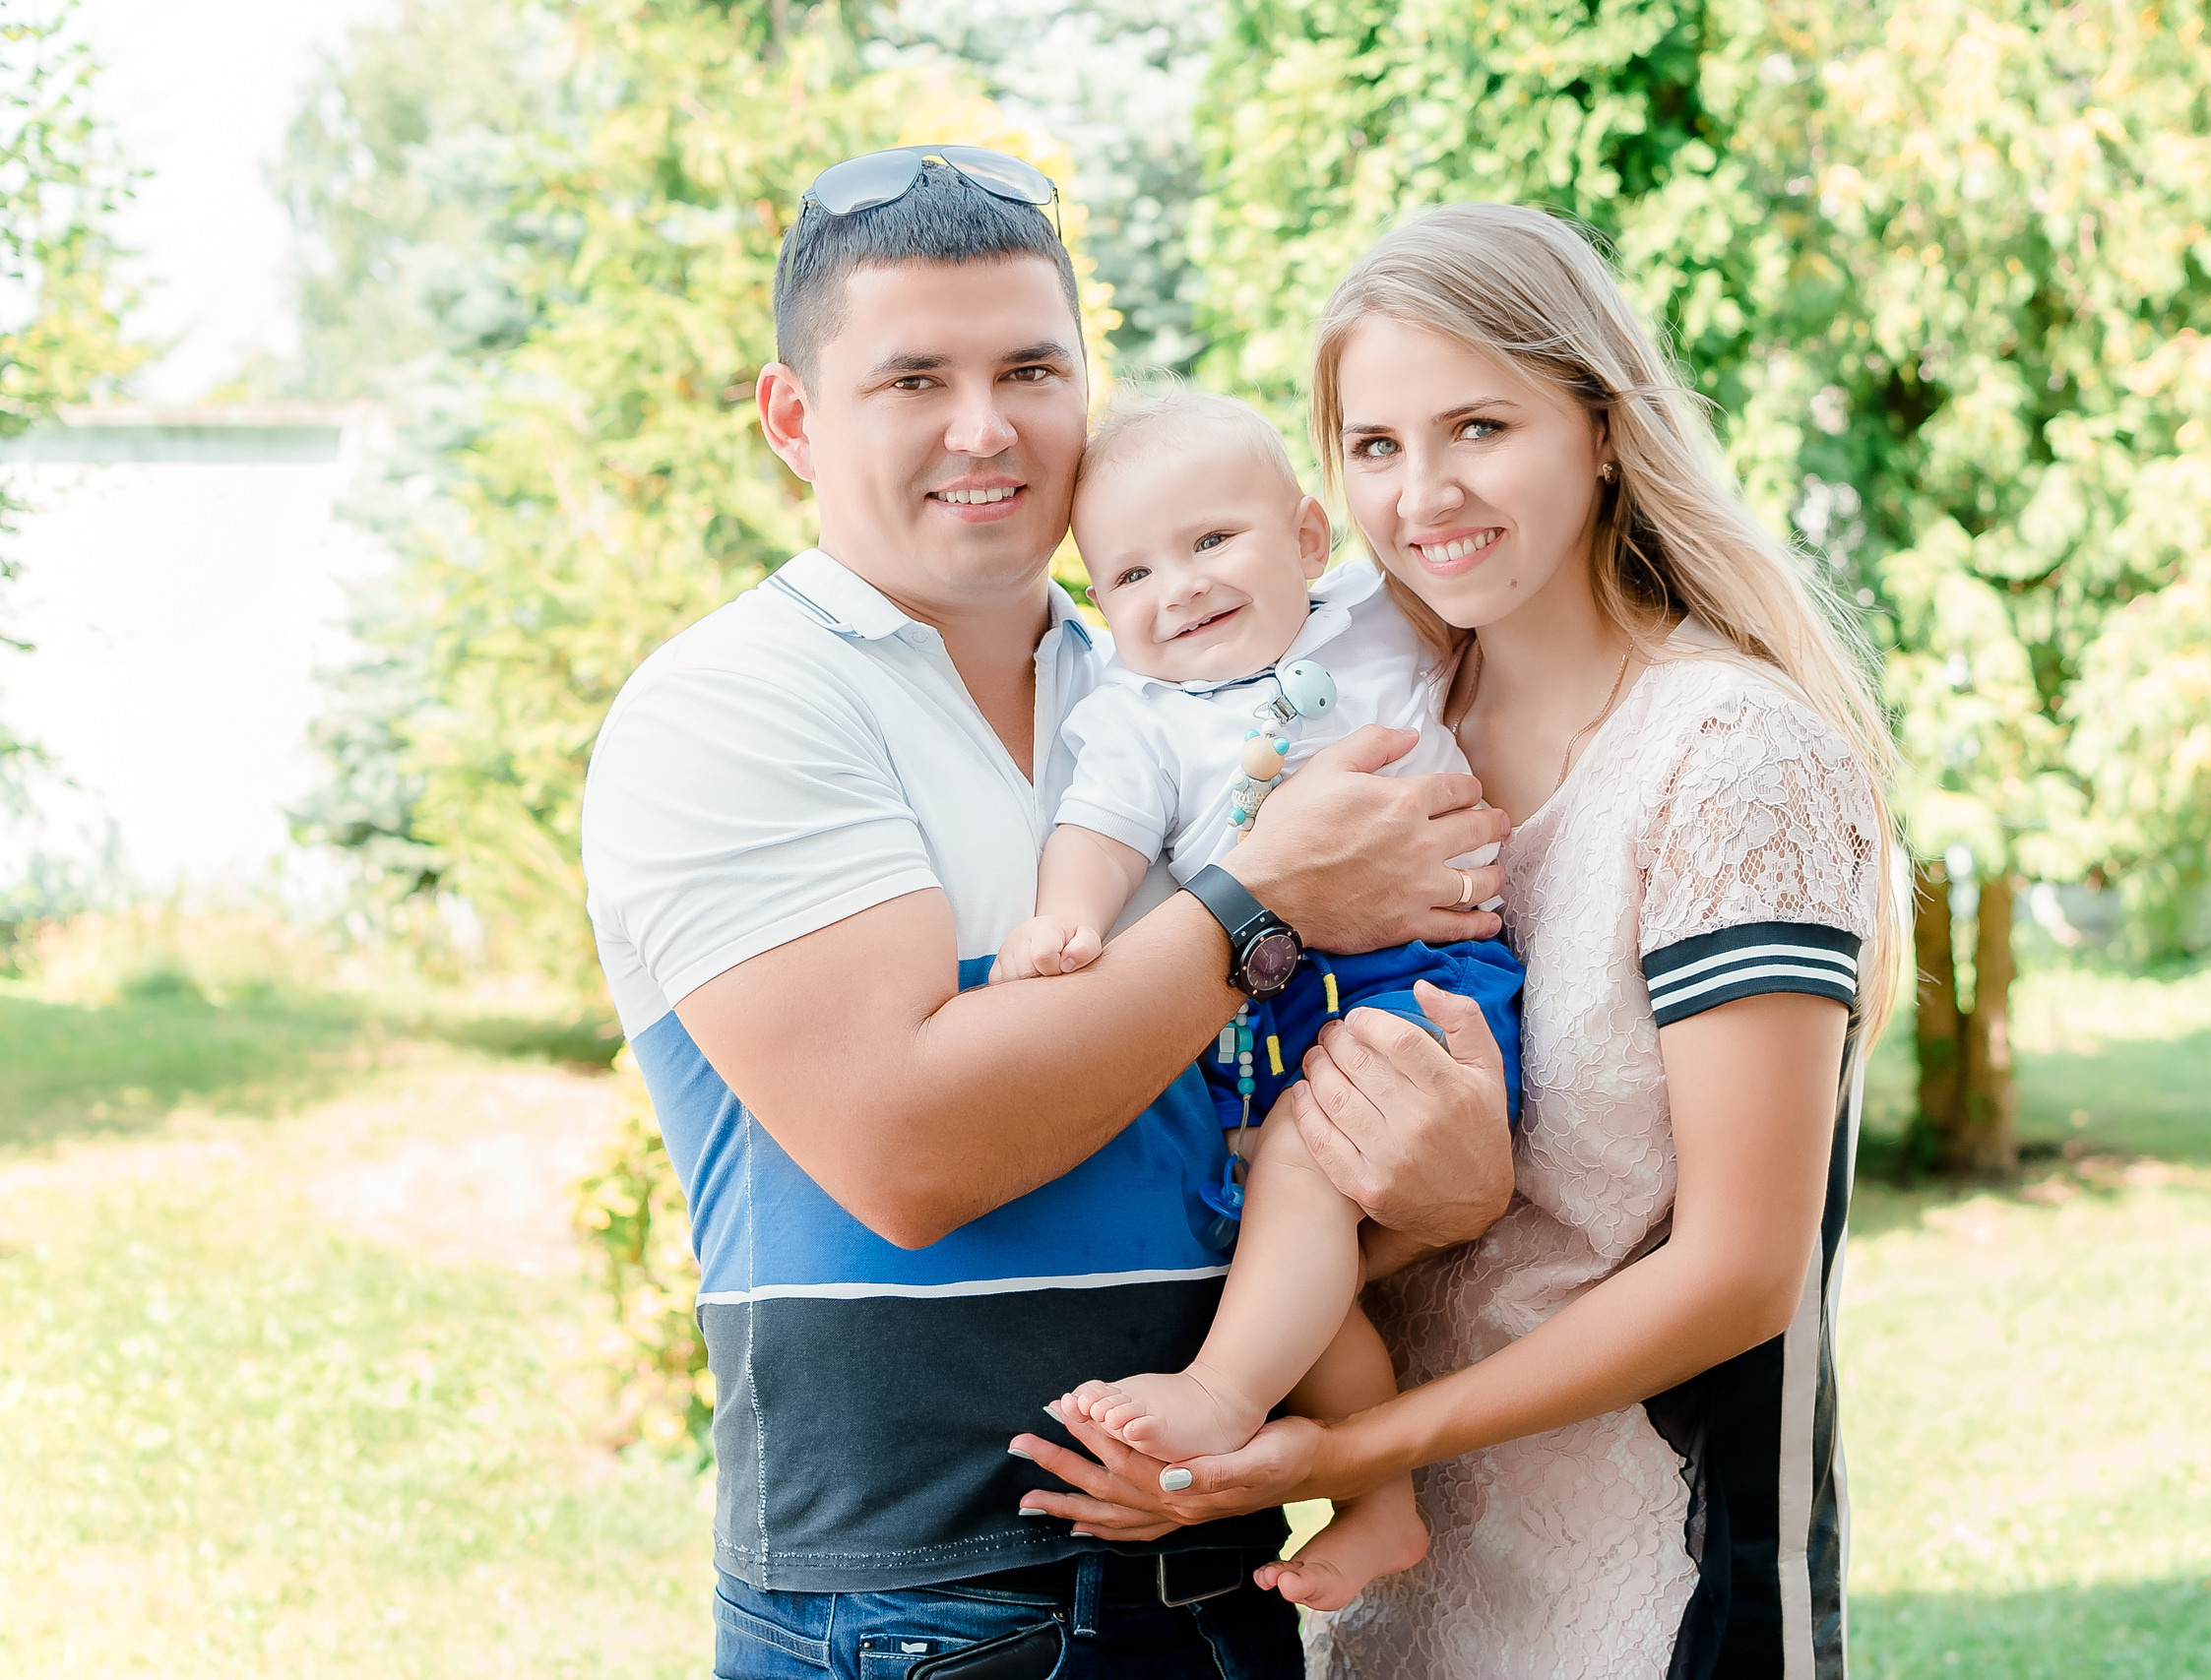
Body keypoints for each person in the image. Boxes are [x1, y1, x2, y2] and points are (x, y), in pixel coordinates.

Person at [578, 149, 1517, 1679]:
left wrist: (1451, 1179)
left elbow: (1277, 1107)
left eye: (1032, 367)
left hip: (1219, 1573)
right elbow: (911, 1147)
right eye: (912, 379)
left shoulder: (1169, 675)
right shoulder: (736, 705)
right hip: (919, 1605)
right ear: (795, 422)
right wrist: (1263, 893)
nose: (985, 426)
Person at [1012, 202, 1904, 1680]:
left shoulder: (1733, 755)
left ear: (1604, 427)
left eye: (1479, 425)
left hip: (1661, 1597)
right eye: (1374, 447)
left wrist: (1349, 1446)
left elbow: (1743, 1274)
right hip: (1390, 1615)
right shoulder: (1368, 717)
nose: (1422, 494)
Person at [988, 390, 1524, 1612]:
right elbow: (1097, 830)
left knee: (1297, 1176)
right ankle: (1380, 1499)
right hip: (1269, 1007)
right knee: (1283, 1243)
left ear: (1304, 539)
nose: (1176, 587)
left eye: (1211, 542)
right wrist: (1066, 918)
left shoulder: (1370, 621)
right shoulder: (1133, 718)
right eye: (1129, 572)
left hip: (1421, 978)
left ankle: (1228, 1396)